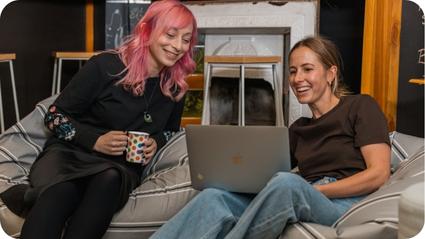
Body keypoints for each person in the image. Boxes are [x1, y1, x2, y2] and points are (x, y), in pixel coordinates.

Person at [150, 36, 391, 239]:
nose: (297, 79)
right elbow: (263, 177)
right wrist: (230, 173)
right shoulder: (298, 129)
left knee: (287, 183)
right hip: (302, 193)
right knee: (215, 197)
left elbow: (378, 173)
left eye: (308, 69)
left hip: (343, 202)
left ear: (330, 73)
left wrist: (316, 191)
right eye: (293, 71)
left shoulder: (360, 106)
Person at [0, 1, 197, 239]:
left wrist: (156, 141)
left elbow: (169, 132)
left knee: (109, 179)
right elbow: (54, 116)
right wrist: (95, 141)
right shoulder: (105, 66)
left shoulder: (175, 87)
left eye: (186, 39)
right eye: (171, 35)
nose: (178, 46)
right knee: (62, 190)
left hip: (120, 168)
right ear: (147, 31)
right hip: (70, 156)